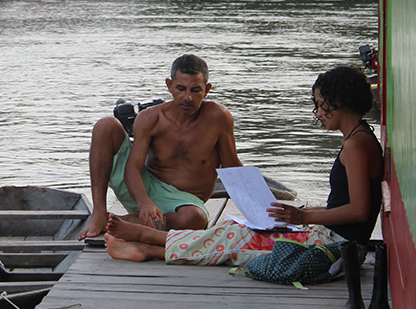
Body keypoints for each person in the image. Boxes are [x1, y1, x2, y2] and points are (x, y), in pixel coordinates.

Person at [104, 65, 384, 266]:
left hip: (337, 244)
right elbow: (347, 204)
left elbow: (358, 211)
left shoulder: (357, 145)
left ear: (339, 103)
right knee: (240, 230)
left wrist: (304, 218)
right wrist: (303, 213)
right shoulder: (360, 139)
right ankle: (150, 242)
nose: (319, 113)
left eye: (322, 105)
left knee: (238, 240)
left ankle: (148, 245)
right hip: (330, 234)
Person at [77, 54, 242, 240]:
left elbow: (232, 167)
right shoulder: (151, 118)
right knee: (105, 125)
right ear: (169, 86)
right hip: (143, 187)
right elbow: (132, 168)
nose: (187, 97)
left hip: (184, 202)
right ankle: (100, 213)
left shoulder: (218, 117)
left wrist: (260, 207)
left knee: (194, 219)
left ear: (207, 90)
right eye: (181, 88)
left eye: (196, 90)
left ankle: (123, 222)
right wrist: (144, 202)